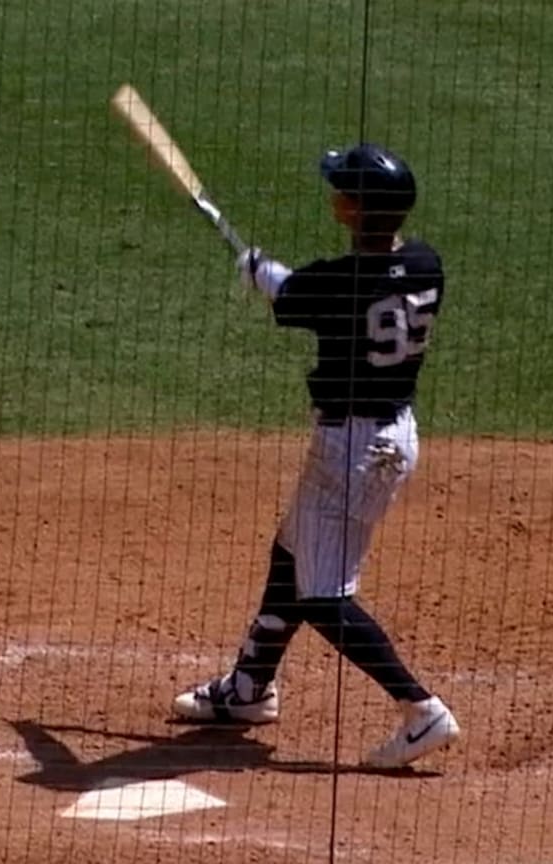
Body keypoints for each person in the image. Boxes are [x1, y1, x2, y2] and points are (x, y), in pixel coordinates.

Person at [168, 142, 461, 769]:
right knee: (291, 554)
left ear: (352, 210)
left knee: (325, 595)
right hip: (396, 433)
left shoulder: (337, 282)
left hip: (349, 452)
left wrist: (255, 269)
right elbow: (303, 291)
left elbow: (291, 293)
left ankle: (421, 709)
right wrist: (270, 275)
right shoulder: (426, 263)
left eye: (341, 189)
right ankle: (248, 688)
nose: (333, 193)